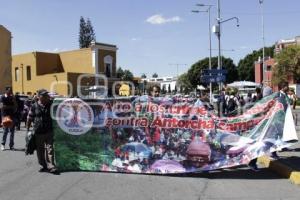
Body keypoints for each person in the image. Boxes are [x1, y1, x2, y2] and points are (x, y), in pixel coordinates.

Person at [26, 89, 59, 174]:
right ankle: (43, 165)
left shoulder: (51, 104)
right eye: (43, 95)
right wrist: (27, 129)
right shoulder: (34, 106)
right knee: (40, 150)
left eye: (46, 95)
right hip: (38, 131)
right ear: (39, 96)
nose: (46, 97)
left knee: (50, 148)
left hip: (49, 130)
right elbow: (29, 117)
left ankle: (51, 166)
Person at [1, 87, 17, 151]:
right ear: (6, 91)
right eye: (9, 90)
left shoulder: (12, 97)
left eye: (11, 91)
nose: (10, 92)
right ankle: (3, 144)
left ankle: (11, 145)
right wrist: (11, 107)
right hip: (5, 116)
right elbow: (2, 107)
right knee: (5, 131)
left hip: (12, 116)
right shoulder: (2, 97)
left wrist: (14, 99)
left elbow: (15, 106)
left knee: (12, 132)